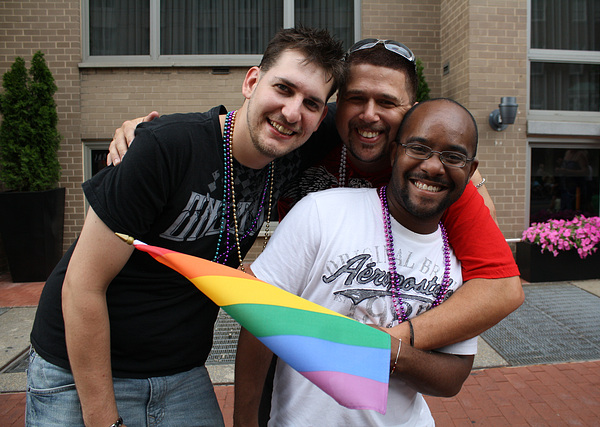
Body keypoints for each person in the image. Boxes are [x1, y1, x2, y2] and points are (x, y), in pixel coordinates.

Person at [109, 39, 523, 354]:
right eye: (355, 99)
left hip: (377, 359)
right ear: (334, 106)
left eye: (388, 103)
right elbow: (238, 127)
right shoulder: (307, 134)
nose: (369, 115)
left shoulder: (429, 179)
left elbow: (501, 289)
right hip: (282, 348)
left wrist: (385, 344)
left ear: (411, 110)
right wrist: (145, 134)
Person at [26, 27, 346, 427]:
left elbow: (388, 112)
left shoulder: (294, 147)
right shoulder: (166, 149)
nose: (293, 111)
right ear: (251, 82)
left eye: (312, 104)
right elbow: (82, 286)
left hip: (181, 373)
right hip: (79, 372)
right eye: (283, 88)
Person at [235, 98, 483, 426]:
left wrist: (387, 351)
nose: (434, 167)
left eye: (452, 157)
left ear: (470, 170)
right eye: (418, 148)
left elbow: (453, 377)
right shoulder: (321, 212)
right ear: (394, 152)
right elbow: (259, 320)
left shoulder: (464, 257)